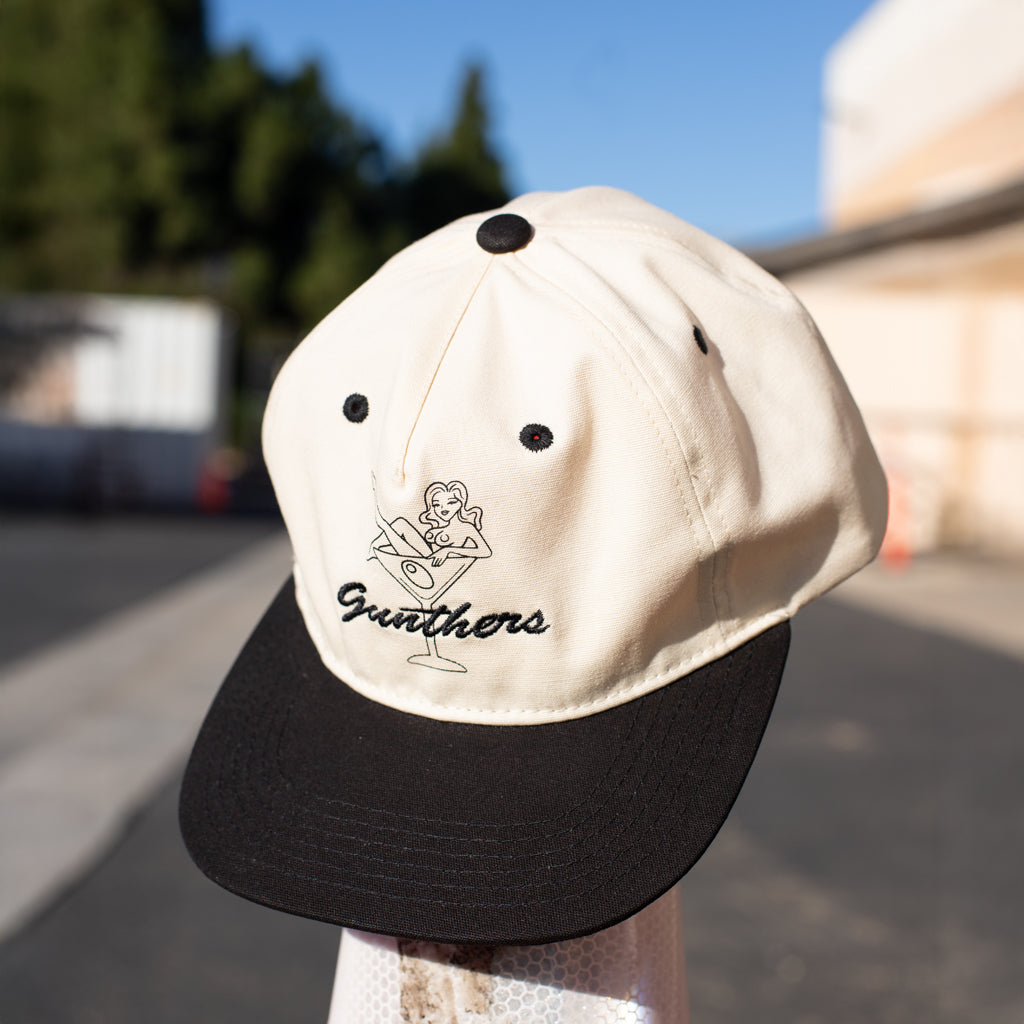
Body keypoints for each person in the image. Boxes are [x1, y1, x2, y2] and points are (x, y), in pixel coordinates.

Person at [373, 479, 491, 567]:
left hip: (438, 567)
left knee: (389, 535)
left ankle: (382, 527)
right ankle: (372, 550)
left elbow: (485, 551)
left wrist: (448, 550)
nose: (443, 508)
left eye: (451, 502)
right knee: (400, 524)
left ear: (461, 503)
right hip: (427, 559)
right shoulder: (439, 524)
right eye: (437, 505)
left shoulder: (466, 527)